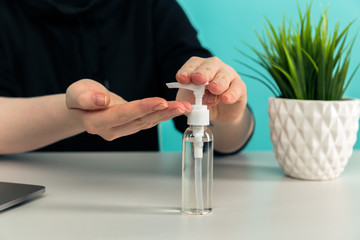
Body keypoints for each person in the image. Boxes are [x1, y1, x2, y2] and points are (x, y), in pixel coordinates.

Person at [0, 0, 254, 155]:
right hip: (30, 190)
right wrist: (72, 114)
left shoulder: (151, 7)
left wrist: (228, 117)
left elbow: (227, 142)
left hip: (139, 192)